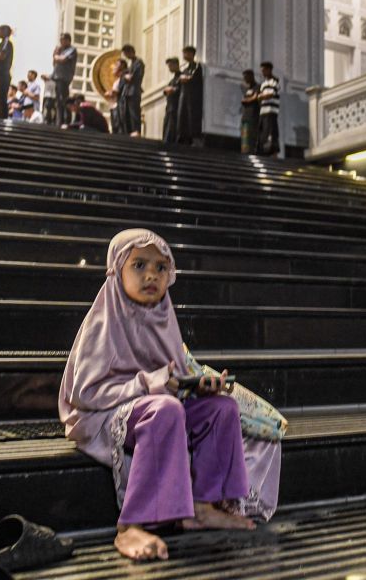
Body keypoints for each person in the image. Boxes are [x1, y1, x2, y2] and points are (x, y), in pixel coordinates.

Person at [58, 229, 280, 562]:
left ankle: (202, 507)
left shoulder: (164, 315)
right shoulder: (105, 319)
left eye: (161, 268)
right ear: (116, 269)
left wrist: (194, 386)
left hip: (153, 404)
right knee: (165, 410)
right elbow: (87, 394)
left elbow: (170, 377)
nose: (151, 274)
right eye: (139, 265)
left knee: (219, 408)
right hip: (104, 414)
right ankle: (131, 525)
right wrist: (153, 384)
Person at [177, 46, 203, 145]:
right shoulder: (185, 68)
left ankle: (193, 138)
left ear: (192, 54)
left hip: (192, 97)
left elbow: (194, 78)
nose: (184, 55)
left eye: (186, 53)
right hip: (184, 95)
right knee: (182, 115)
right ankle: (182, 137)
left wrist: (187, 78)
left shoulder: (197, 66)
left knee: (191, 116)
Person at [120, 44, 144, 137]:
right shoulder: (132, 63)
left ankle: (136, 130)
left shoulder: (139, 62)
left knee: (134, 112)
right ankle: (130, 131)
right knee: (128, 113)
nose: (126, 55)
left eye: (126, 53)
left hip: (134, 91)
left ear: (131, 52)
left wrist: (126, 76)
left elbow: (133, 77)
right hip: (128, 91)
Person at [53, 33, 77, 126]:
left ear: (68, 40)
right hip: (58, 77)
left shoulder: (72, 49)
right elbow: (54, 62)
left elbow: (62, 59)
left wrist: (56, 55)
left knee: (64, 100)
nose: (61, 42)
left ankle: (66, 121)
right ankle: (59, 121)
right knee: (58, 101)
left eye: (62, 40)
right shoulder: (60, 50)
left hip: (64, 78)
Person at [257, 62, 280, 156]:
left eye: (264, 70)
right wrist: (261, 96)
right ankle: (264, 153)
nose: (262, 73)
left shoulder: (274, 82)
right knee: (263, 134)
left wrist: (261, 96)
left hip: (271, 112)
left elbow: (270, 94)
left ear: (269, 70)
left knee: (272, 133)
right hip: (263, 112)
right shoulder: (263, 84)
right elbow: (261, 97)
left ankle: (274, 155)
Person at [240, 70, 260, 154]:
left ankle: (252, 153)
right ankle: (244, 153)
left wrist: (246, 100)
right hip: (245, 116)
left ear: (251, 76)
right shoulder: (248, 89)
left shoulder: (258, 86)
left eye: (246, 77)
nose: (245, 79)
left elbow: (255, 98)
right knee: (244, 136)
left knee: (252, 136)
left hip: (253, 116)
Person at [161, 57, 181, 144]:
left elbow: (181, 90)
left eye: (171, 66)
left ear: (176, 65)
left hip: (176, 106)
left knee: (172, 127)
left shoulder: (181, 77)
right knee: (167, 125)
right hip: (170, 106)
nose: (169, 68)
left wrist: (173, 89)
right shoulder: (173, 80)